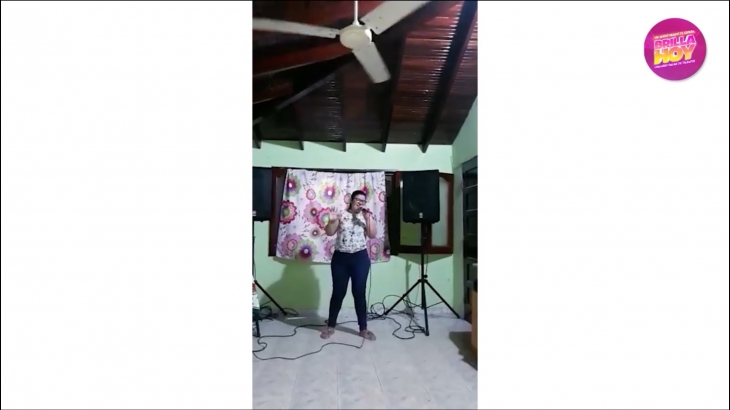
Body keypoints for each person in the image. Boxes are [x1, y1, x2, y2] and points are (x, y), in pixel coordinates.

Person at [321, 190, 377, 341]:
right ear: (351, 200)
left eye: (363, 201)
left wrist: (368, 218)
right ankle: (330, 326)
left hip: (360, 258)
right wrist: (332, 221)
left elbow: (372, 235)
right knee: (338, 293)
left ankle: (363, 329)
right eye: (358, 199)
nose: (360, 202)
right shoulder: (341, 214)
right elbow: (330, 233)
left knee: (359, 293)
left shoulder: (366, 216)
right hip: (340, 259)